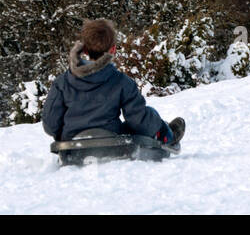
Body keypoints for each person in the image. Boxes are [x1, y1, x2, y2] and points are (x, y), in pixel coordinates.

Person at [42, 18, 185, 147]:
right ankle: (168, 135)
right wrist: (157, 126)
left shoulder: (62, 83)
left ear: (83, 49)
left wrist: (68, 134)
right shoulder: (122, 82)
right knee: (149, 115)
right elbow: (138, 120)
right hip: (111, 143)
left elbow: (50, 124)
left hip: (72, 143)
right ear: (113, 49)